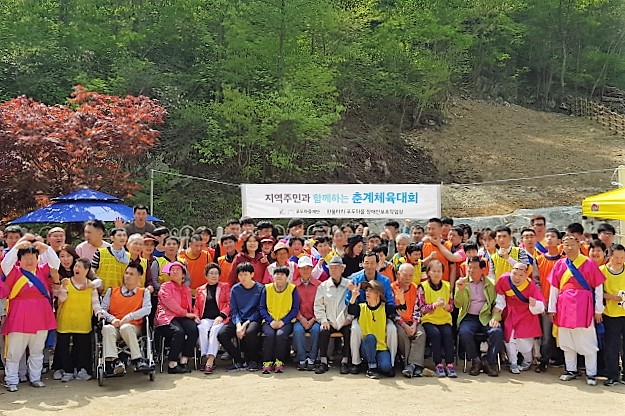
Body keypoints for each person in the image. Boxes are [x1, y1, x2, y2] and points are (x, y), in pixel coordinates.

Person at [0, 239, 60, 392]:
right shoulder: (14, 271)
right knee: (14, 352)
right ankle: (11, 380)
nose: (29, 261)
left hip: (41, 316)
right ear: (19, 260)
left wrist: (46, 248)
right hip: (18, 316)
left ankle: (35, 378)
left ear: (37, 259)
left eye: (32, 257)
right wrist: (16, 248)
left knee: (37, 351)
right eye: (25, 258)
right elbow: (5, 264)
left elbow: (55, 264)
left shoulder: (42, 271)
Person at [548, 234, 605, 386]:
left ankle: (591, 373)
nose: (570, 247)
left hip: (584, 306)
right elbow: (554, 288)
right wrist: (552, 308)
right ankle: (570, 370)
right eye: (566, 244)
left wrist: (598, 309)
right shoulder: (559, 264)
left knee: (587, 340)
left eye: (572, 244)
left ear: (579, 245)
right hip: (564, 307)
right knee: (566, 340)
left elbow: (598, 287)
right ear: (562, 247)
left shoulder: (589, 263)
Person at [346, 251, 398, 374]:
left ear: (377, 264)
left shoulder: (385, 280)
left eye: (372, 263)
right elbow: (349, 303)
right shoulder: (355, 280)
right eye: (366, 263)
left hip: (381, 313)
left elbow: (390, 302)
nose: (369, 266)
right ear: (362, 264)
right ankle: (356, 362)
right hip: (361, 314)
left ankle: (391, 362)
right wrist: (355, 296)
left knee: (392, 328)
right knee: (355, 328)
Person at [54, 258, 102, 382]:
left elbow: (96, 303)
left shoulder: (91, 285)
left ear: (86, 270)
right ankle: (68, 370)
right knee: (63, 347)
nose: (76, 268)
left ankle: (82, 370)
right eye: (76, 266)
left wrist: (99, 314)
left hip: (83, 322)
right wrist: (62, 290)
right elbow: (60, 300)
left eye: (79, 267)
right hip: (65, 320)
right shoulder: (66, 282)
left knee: (83, 348)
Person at [100, 263, 152, 376]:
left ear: (139, 277)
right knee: (107, 328)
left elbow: (147, 309)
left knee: (126, 327)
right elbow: (102, 309)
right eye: (126, 273)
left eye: (131, 274)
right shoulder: (112, 291)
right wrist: (112, 319)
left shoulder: (144, 292)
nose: (127, 276)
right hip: (115, 325)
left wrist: (129, 317)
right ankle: (114, 361)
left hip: (133, 326)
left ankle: (137, 359)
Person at [455, 256, 504, 377]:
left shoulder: (491, 284)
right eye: (469, 267)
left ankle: (489, 361)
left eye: (475, 268)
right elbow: (458, 304)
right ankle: (476, 360)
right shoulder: (462, 282)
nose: (471, 270)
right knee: (464, 332)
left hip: (486, 317)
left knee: (497, 332)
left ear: (483, 269)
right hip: (469, 317)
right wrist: (460, 291)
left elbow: (497, 304)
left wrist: (495, 318)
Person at [494, 263, 545, 374]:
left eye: (521, 275)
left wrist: (534, 304)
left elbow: (541, 304)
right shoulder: (503, 280)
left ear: (526, 275)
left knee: (524, 343)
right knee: (509, 339)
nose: (517, 278)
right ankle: (513, 362)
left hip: (526, 314)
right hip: (510, 313)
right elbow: (500, 298)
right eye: (514, 273)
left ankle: (527, 360)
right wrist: (497, 313)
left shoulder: (530, 286)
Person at [218, 262, 264, 372]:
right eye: (240, 275)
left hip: (253, 319)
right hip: (238, 319)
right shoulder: (235, 289)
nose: (243, 277)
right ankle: (239, 360)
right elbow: (234, 310)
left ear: (252, 274)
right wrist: (238, 325)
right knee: (222, 334)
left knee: (250, 332)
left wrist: (245, 324)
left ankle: (253, 360)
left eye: (245, 274)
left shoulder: (260, 288)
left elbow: (259, 310)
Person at [154, 261, 199, 374]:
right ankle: (172, 363)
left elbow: (190, 306)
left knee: (193, 329)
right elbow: (170, 303)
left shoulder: (186, 289)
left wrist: (194, 315)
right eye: (172, 270)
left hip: (182, 317)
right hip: (167, 317)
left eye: (177, 269)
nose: (174, 271)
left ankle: (184, 359)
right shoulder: (165, 287)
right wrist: (186, 314)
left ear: (183, 274)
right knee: (178, 332)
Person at [347, 280, 397, 379]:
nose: (367, 293)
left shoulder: (384, 308)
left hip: (381, 348)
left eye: (370, 290)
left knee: (386, 368)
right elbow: (351, 310)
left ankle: (377, 363)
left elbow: (400, 308)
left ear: (378, 294)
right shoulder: (361, 307)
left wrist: (401, 299)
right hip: (366, 347)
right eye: (366, 290)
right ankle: (372, 368)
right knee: (370, 337)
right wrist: (354, 296)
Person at [314, 256, 351, 374]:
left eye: (336, 268)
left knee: (350, 331)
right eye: (331, 268)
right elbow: (318, 306)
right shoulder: (323, 286)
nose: (334, 270)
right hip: (329, 320)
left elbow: (353, 303)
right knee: (323, 331)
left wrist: (349, 319)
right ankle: (323, 361)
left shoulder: (349, 285)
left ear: (342, 269)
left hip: (345, 320)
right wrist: (323, 320)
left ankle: (345, 361)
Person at [419, 260, 456, 378]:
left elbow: (451, 307)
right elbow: (421, 308)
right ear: (428, 272)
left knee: (448, 334)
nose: (436, 274)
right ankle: (438, 363)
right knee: (435, 334)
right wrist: (434, 306)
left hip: (444, 320)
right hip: (429, 320)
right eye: (433, 271)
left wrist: (445, 306)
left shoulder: (447, 286)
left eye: (439, 271)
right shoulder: (423, 287)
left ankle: (449, 364)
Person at [259, 266, 300, 374]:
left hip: (286, 321)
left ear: (287, 277)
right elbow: (262, 308)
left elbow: (295, 308)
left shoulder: (292, 288)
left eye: (282, 274)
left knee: (280, 335)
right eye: (277, 274)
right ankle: (267, 362)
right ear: (273, 276)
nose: (279, 276)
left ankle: (279, 361)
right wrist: (270, 320)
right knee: (269, 335)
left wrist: (283, 321)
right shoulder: (266, 288)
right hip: (269, 321)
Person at [193, 263, 230, 374]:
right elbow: (196, 306)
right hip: (205, 318)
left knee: (214, 330)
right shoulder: (200, 289)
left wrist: (221, 316)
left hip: (221, 318)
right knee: (201, 328)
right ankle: (205, 355)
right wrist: (196, 316)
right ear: (206, 275)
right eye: (211, 273)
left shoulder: (225, 287)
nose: (214, 276)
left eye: (216, 273)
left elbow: (230, 304)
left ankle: (210, 361)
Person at [535, 228, 563, 372]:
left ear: (559, 241)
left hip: (563, 303)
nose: (550, 239)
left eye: (553, 236)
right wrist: (541, 300)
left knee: (564, 334)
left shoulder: (564, 260)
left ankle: (566, 362)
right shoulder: (539, 260)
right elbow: (536, 282)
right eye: (547, 236)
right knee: (546, 335)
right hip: (545, 301)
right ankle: (544, 361)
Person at [393, 263, 427, 378]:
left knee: (420, 334)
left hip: (412, 321)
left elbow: (417, 308)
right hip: (398, 322)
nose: (408, 278)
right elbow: (393, 312)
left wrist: (414, 324)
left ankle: (411, 365)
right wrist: (404, 325)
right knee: (401, 334)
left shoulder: (415, 288)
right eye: (405, 275)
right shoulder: (392, 288)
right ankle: (411, 364)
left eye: (410, 275)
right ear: (398, 275)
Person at [600, 244, 625, 386]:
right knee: (611, 346)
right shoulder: (602, 271)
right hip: (610, 314)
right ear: (609, 256)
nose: (619, 260)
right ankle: (612, 375)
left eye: (622, 257)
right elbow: (597, 292)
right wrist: (612, 297)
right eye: (616, 257)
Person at [293, 256, 321, 371]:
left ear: (312, 269)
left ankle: (312, 358)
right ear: (298, 269)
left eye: (308, 268)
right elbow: (292, 305)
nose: (305, 270)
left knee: (316, 330)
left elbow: (321, 305)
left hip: (315, 318)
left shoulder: (319, 285)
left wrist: (313, 319)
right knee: (297, 331)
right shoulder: (293, 286)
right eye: (302, 268)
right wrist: (300, 318)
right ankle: (301, 358)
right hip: (299, 318)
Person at [92, 227, 129, 292]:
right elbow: (92, 270)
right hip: (102, 292)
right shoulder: (100, 253)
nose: (122, 238)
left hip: (120, 293)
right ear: (112, 238)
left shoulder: (128, 256)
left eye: (124, 235)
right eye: (119, 235)